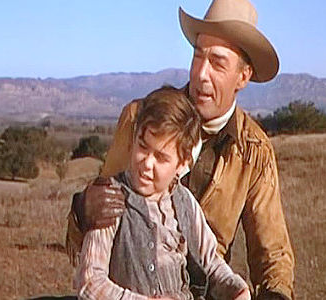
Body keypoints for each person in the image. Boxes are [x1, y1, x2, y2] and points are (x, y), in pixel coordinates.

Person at [66, 0, 295, 299]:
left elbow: (272, 257)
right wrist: (82, 211)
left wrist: (269, 294)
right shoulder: (141, 118)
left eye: (218, 63)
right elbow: (95, 239)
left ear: (243, 76)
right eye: (198, 56)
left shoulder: (255, 152)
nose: (200, 73)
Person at [74, 86, 251, 300]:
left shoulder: (185, 202)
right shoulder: (109, 200)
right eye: (143, 146)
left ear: (183, 163)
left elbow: (211, 263)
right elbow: (90, 283)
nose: (147, 163)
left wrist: (236, 289)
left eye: (161, 157)